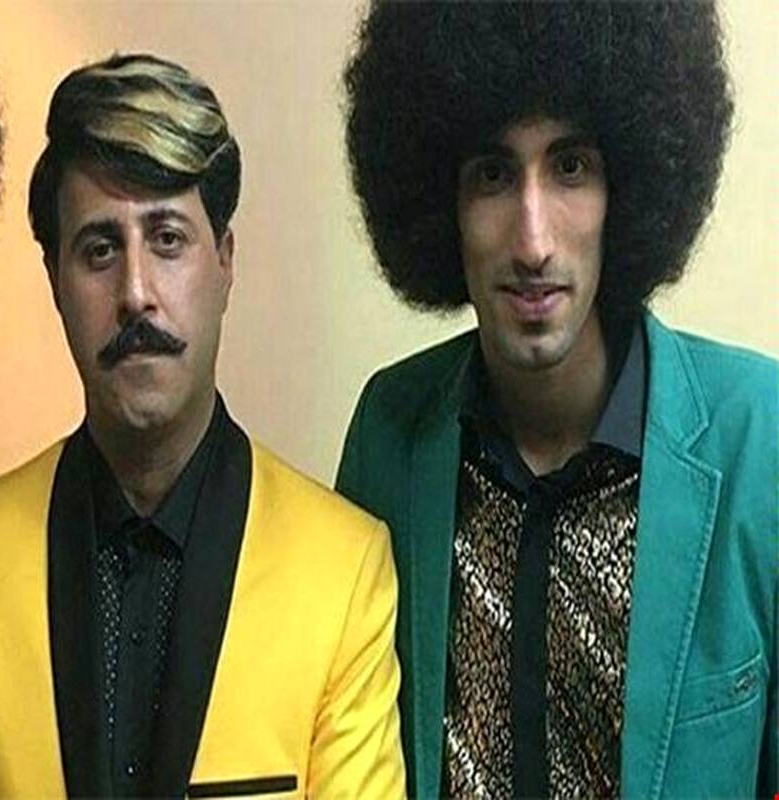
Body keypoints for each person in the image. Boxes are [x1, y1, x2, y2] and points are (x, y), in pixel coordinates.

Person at [0, 53, 404, 798]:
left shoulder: (342, 571)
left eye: (167, 239)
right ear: (56, 282)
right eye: (100, 249)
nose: (134, 293)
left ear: (224, 262)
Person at [336, 3, 776, 798]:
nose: (533, 241)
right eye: (493, 175)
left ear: (628, 188)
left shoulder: (757, 435)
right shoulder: (390, 435)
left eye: (570, 167)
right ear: (442, 204)